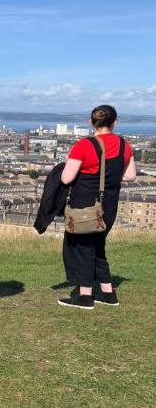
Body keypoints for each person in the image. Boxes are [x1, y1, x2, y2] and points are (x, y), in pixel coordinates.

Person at [58, 105, 137, 309]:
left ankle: (85, 296)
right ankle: (108, 293)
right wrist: (107, 177)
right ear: (115, 123)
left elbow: (66, 177)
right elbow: (130, 175)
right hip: (108, 204)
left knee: (83, 247)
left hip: (84, 203)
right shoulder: (124, 145)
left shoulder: (84, 145)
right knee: (97, 245)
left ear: (90, 122)